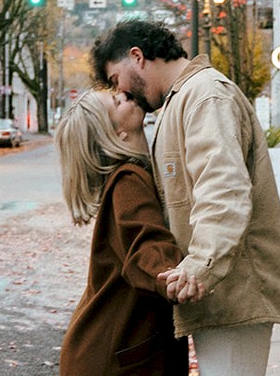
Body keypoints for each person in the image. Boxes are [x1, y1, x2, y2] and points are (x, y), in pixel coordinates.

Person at [91, 20, 280, 375]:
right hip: (220, 293)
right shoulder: (181, 101)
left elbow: (223, 187)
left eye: (114, 79)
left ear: (137, 57)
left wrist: (201, 266)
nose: (121, 91)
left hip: (236, 295)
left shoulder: (205, 95)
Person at [56, 89, 188, 376]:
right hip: (112, 360)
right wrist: (172, 276)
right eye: (116, 102)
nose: (125, 95)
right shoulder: (128, 180)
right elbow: (144, 243)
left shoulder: (135, 172)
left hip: (107, 351)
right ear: (116, 132)